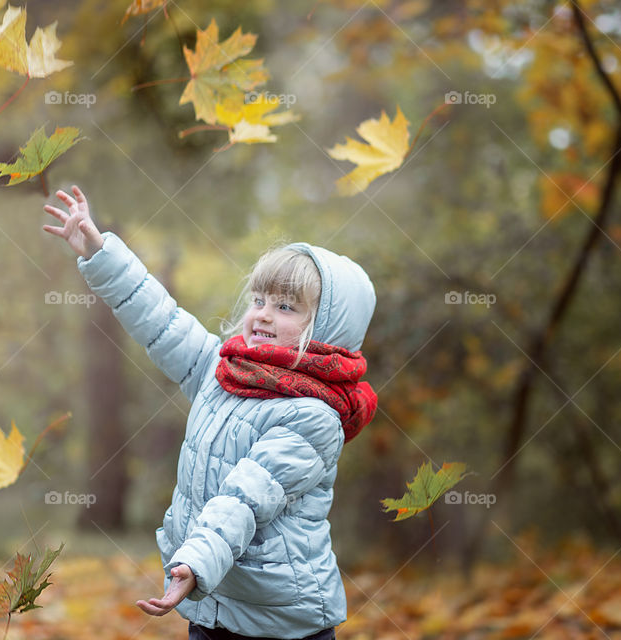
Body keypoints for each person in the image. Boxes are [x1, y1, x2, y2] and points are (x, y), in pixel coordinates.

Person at [42, 186, 378, 640]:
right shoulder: (224, 371)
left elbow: (245, 498)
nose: (262, 314)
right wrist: (100, 252)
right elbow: (162, 322)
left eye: (285, 306)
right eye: (258, 300)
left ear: (328, 329)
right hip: (213, 604)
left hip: (279, 620)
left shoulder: (313, 417)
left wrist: (195, 564)